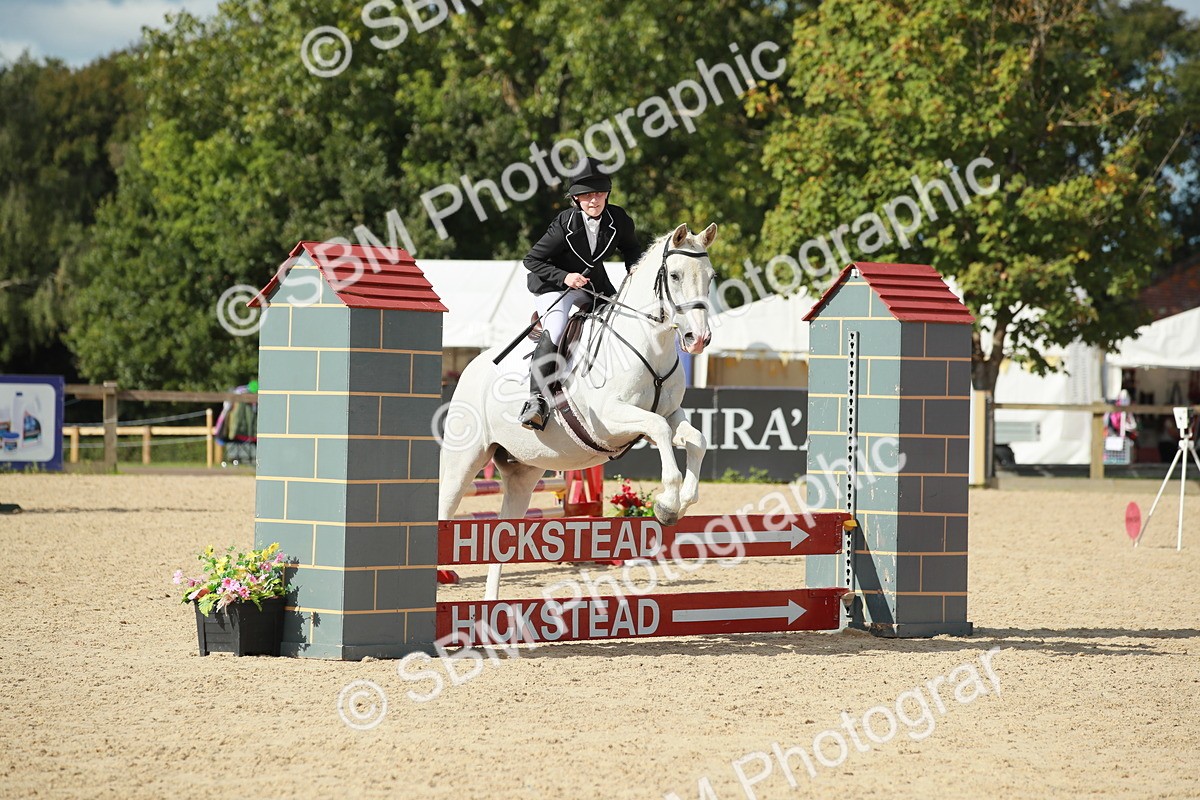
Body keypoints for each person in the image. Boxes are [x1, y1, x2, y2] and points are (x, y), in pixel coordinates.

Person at [517, 157, 643, 430]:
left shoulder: (618, 219)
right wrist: (565, 277)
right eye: (585, 195)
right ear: (576, 199)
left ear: (607, 194)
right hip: (553, 285)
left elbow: (632, 248)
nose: (593, 200)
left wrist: (634, 267)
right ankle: (536, 400)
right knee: (557, 326)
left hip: (591, 284)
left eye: (598, 193)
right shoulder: (563, 224)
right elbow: (532, 260)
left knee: (619, 317)